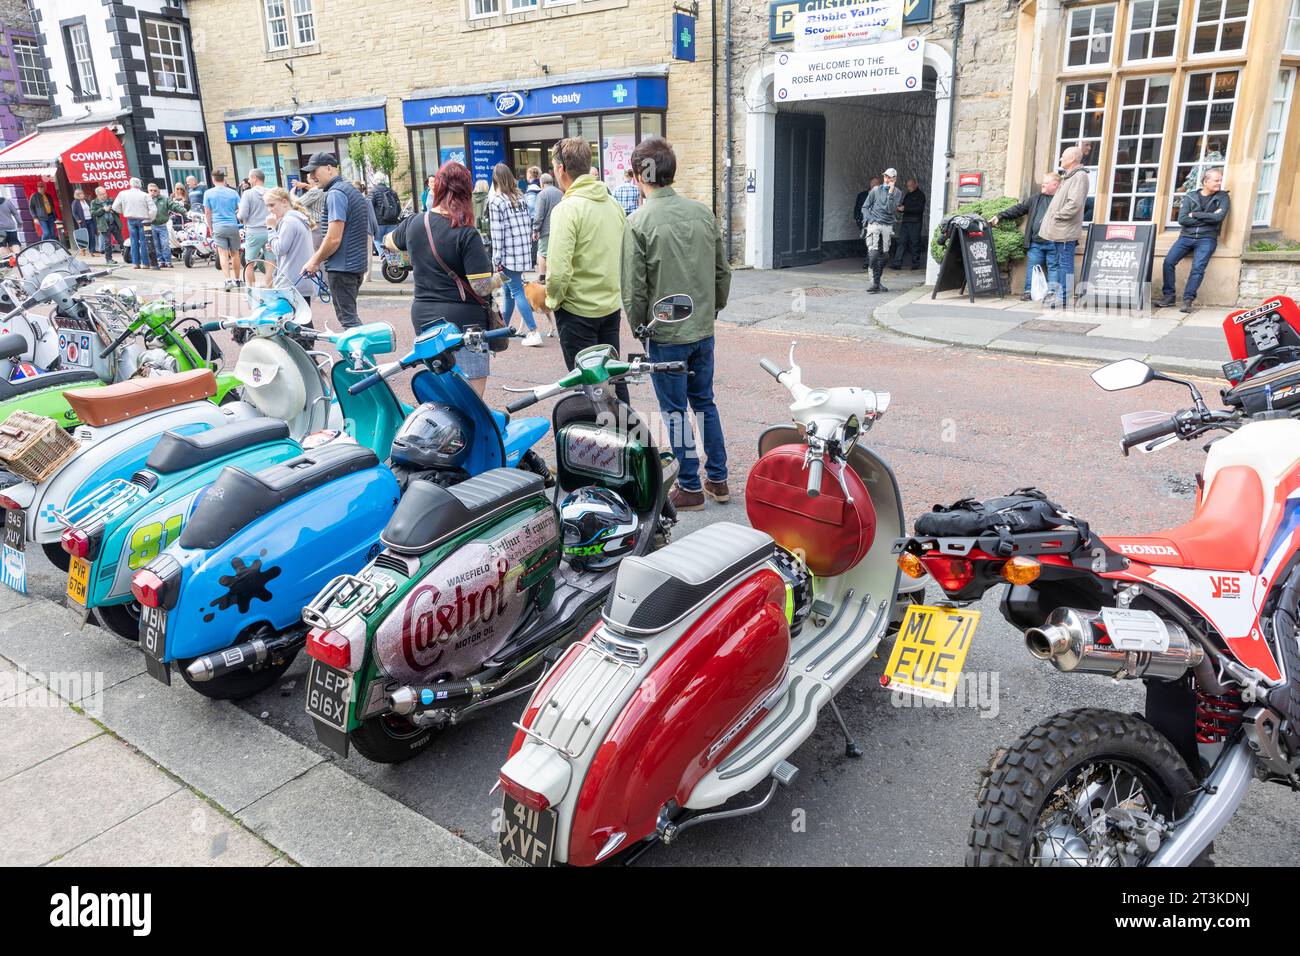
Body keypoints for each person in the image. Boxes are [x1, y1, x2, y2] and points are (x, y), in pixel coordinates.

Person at [622, 136, 732, 512]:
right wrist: (712, 308)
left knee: (674, 410)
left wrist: (640, 327)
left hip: (665, 331)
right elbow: (722, 270)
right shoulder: (702, 213)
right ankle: (718, 478)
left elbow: (634, 288)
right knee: (704, 401)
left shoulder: (638, 221)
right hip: (701, 327)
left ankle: (689, 485)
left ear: (640, 175)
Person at [386, 160, 503, 396]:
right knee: (471, 400)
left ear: (437, 188)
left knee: (440, 389)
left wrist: (414, 254)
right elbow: (480, 287)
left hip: (424, 316)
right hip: (462, 323)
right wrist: (504, 279)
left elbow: (388, 241)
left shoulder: (416, 222)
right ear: (465, 192)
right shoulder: (466, 233)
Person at [545, 137, 629, 404]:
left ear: (561, 170)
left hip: (577, 310)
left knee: (589, 387)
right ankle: (629, 437)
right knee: (614, 379)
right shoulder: (612, 204)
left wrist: (553, 300)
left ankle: (601, 442)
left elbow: (557, 272)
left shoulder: (567, 209)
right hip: (609, 306)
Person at [301, 153, 370, 329]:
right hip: (353, 266)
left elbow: (333, 237)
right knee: (350, 317)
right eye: (309, 173)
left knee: (348, 320)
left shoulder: (336, 193)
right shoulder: (350, 190)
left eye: (314, 171)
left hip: (342, 267)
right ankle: (361, 355)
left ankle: (362, 356)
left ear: (329, 168)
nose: (311, 177)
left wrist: (314, 261)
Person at [1158, 168, 1229, 313]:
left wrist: (1196, 214)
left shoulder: (1223, 197)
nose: (1220, 183)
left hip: (1206, 238)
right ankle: (1169, 296)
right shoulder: (1191, 196)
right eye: (1216, 180)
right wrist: (1209, 218)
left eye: (1220, 180)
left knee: (1198, 268)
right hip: (1186, 237)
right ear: (1205, 181)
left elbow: (1218, 218)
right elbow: (1182, 219)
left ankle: (1187, 300)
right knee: (1168, 262)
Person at [487, 163, 542, 347]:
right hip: (522, 252)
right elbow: (527, 224)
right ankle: (504, 329)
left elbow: (497, 233)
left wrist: (496, 259)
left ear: (495, 179)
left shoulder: (496, 201)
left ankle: (534, 331)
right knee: (509, 291)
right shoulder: (521, 197)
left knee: (516, 291)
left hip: (508, 254)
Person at [991, 172, 1061, 301]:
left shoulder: (1061, 199)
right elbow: (1019, 208)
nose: (1042, 185)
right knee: (1033, 266)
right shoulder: (1036, 198)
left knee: (1054, 267)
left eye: (1046, 183)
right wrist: (1000, 216)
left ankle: (1052, 293)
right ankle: (1029, 291)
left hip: (1054, 241)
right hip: (1036, 241)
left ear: (1055, 185)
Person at [1038, 146, 1089, 306]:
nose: (1060, 159)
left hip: (1065, 230)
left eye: (1063, 157)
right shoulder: (1070, 176)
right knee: (1061, 263)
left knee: (1065, 264)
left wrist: (1056, 216)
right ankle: (1060, 296)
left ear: (1073, 159)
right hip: (1061, 230)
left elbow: (1074, 204)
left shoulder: (1079, 176)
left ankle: (1063, 298)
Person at [257, 187, 317, 301]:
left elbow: (280, 249)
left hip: (291, 281)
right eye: (267, 206)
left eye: (272, 205)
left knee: (292, 318)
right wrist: (273, 244)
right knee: (302, 317)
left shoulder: (288, 221)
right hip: (300, 279)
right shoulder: (297, 218)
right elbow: (287, 246)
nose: (270, 209)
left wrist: (270, 228)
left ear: (284, 202)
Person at [860, 168, 901, 293]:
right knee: (873, 255)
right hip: (875, 224)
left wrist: (890, 193)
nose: (887, 179)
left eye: (890, 177)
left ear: (894, 179)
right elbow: (865, 207)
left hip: (887, 226)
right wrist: (870, 219)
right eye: (886, 177)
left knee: (884, 256)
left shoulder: (897, 193)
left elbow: (890, 209)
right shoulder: (875, 190)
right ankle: (874, 283)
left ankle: (876, 283)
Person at [203, 169, 242, 287]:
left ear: (213, 179)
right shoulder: (233, 193)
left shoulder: (208, 193)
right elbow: (240, 208)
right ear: (223, 179)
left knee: (223, 254)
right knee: (235, 254)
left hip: (218, 226)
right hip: (232, 225)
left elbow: (207, 213)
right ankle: (237, 279)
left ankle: (228, 280)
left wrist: (210, 227)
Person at [112, 178, 156, 270]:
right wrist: (150, 218)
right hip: (143, 219)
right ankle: (145, 263)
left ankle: (135, 263)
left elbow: (115, 207)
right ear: (140, 185)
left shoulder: (123, 194)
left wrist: (124, 211)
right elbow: (153, 209)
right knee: (144, 242)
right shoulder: (145, 195)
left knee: (133, 241)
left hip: (130, 219)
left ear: (130, 184)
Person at [238, 168, 271, 277]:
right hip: (270, 231)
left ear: (254, 178)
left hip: (254, 232)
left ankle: (251, 290)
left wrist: (238, 215)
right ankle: (270, 289)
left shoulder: (248, 194)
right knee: (271, 263)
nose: (249, 180)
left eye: (250, 178)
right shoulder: (270, 192)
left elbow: (242, 215)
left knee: (250, 264)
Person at [532, 171, 563, 281]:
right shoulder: (560, 193)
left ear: (542, 183)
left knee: (542, 253)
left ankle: (542, 277)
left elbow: (539, 215)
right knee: (555, 253)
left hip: (546, 230)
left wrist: (535, 230)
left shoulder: (542, 194)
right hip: (559, 228)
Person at [891, 177, 926, 270]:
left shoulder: (920, 195)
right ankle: (897, 263)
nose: (909, 188)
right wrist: (900, 208)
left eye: (910, 186)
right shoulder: (908, 195)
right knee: (901, 242)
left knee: (915, 243)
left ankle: (915, 263)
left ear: (916, 184)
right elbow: (904, 206)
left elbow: (919, 209)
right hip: (906, 221)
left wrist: (905, 209)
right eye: (908, 186)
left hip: (915, 222)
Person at [147, 182, 184, 268]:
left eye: (155, 190)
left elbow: (174, 206)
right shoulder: (147, 199)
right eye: (151, 190)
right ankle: (161, 261)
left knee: (165, 244)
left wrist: (184, 211)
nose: (153, 192)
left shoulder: (164, 199)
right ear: (148, 191)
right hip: (151, 225)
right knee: (156, 244)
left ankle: (168, 261)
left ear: (158, 190)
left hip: (163, 224)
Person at [370, 173, 401, 253]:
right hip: (392, 222)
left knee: (377, 240)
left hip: (379, 223)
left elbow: (369, 207)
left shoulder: (373, 191)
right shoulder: (392, 191)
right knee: (391, 242)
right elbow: (398, 207)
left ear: (375, 180)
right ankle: (392, 261)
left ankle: (384, 257)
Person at [90, 187, 122, 263]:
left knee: (121, 241)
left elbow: (118, 209)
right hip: (104, 225)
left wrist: (113, 210)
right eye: (102, 194)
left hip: (114, 223)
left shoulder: (110, 200)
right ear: (97, 194)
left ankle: (128, 256)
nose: (104, 195)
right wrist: (103, 209)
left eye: (105, 193)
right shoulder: (94, 202)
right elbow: (93, 213)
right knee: (107, 242)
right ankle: (109, 259)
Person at [71, 189, 94, 255]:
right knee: (84, 236)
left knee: (92, 235)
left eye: (82, 193)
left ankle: (92, 251)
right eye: (80, 194)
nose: (82, 195)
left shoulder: (86, 201)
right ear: (77, 195)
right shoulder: (75, 202)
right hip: (83, 221)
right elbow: (74, 212)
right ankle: (82, 249)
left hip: (90, 219)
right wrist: (78, 219)